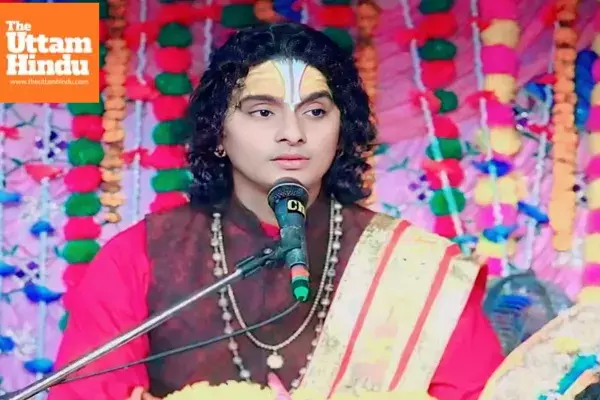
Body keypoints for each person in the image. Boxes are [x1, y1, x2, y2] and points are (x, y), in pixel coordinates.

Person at [48, 23, 504, 400]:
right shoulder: (140, 257)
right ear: (218, 132)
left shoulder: (413, 267)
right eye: (263, 112)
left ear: (342, 131)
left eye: (316, 112)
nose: (293, 132)